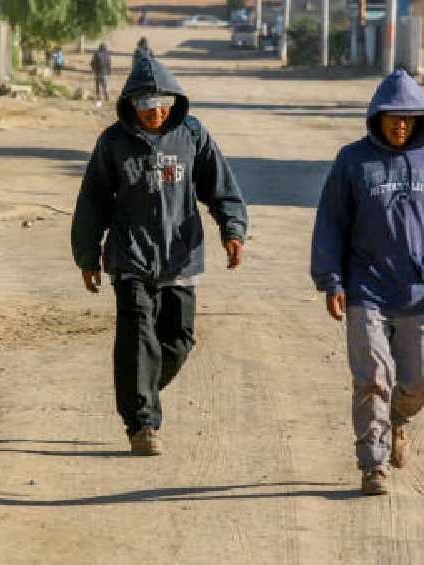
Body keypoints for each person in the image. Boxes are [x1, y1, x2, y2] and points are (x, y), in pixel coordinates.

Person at [311, 70, 424, 495]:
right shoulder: (353, 161)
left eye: (409, 117)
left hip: (421, 288)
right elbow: (331, 224)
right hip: (366, 288)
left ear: (422, 119)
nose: (401, 125)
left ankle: (399, 419)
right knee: (373, 376)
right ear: (377, 117)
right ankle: (373, 465)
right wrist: (332, 281)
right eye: (393, 117)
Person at [71, 55, 249, 456]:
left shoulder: (192, 135)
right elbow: (93, 201)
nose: (156, 113)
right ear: (132, 104)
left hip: (181, 257)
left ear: (174, 101)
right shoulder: (113, 142)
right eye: (147, 106)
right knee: (137, 338)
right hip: (129, 256)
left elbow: (220, 187)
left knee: (179, 341)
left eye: (163, 104)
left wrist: (232, 230)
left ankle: (139, 391)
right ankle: (142, 424)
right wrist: (87, 255)